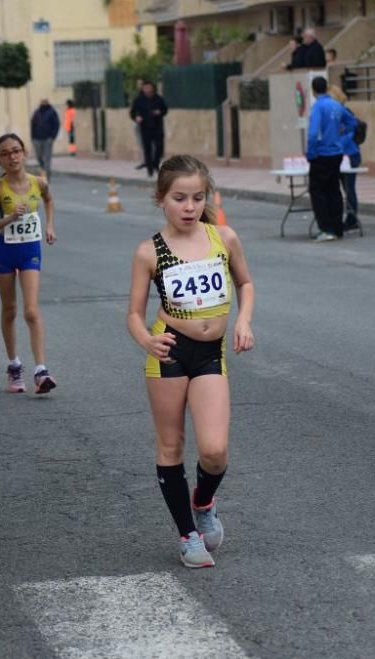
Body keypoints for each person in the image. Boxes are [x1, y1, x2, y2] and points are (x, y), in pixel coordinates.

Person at [126, 154, 255, 569]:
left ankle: (203, 501)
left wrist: (244, 321)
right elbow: (132, 313)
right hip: (169, 352)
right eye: (179, 198)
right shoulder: (150, 251)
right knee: (172, 445)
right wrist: (146, 339)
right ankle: (187, 535)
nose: (189, 206)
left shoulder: (224, 238)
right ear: (161, 199)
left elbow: (246, 283)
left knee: (215, 451)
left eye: (197, 198)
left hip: (210, 353)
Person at [0, 133, 58, 395]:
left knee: (31, 310)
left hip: (30, 250)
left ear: (24, 153)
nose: (12, 157)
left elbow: (48, 200)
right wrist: (9, 218)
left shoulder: (38, 182)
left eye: (16, 151)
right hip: (4, 251)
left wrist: (49, 225)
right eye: (5, 154)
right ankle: (14, 365)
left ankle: (41, 370)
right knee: (10, 310)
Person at [306, 76, 356, 242]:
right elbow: (352, 123)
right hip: (336, 153)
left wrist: (311, 152)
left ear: (313, 91)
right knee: (334, 190)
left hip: (322, 153)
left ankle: (326, 228)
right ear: (326, 88)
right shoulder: (336, 105)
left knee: (318, 191)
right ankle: (337, 227)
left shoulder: (318, 107)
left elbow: (313, 134)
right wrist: (340, 134)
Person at [330, 86, 362, 232]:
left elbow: (348, 135)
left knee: (349, 188)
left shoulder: (345, 113)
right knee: (343, 188)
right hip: (339, 155)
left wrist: (335, 146)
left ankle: (352, 218)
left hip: (349, 155)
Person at [129, 81, 168, 177]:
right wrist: (136, 118)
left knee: (159, 146)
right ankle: (150, 170)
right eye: (145, 87)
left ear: (152, 88)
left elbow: (165, 109)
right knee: (147, 149)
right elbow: (132, 113)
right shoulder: (139, 100)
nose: (147, 89)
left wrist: (160, 112)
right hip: (145, 127)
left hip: (157, 126)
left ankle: (155, 163)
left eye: (149, 87)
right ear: (143, 89)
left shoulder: (158, 99)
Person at [29, 99, 59, 177]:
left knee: (47, 157)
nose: (43, 103)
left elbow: (56, 124)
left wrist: (53, 136)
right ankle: (43, 169)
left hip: (47, 139)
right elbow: (32, 124)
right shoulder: (37, 112)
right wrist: (32, 137)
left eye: (44, 102)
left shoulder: (52, 112)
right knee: (39, 156)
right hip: (37, 139)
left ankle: (47, 175)